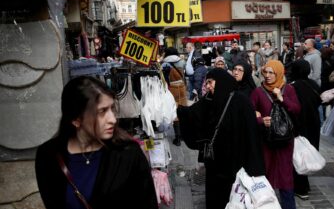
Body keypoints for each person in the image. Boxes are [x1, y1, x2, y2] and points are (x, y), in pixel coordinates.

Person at [35, 76, 158, 209]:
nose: (113, 119)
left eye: (112, 109)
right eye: (102, 111)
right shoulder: (48, 156)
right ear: (76, 119)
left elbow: (147, 203)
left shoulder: (128, 153)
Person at [178, 68, 265, 209]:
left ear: (221, 81)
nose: (207, 86)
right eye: (206, 83)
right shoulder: (210, 99)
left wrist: (255, 168)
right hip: (215, 164)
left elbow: (252, 135)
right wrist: (179, 111)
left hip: (236, 163)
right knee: (215, 198)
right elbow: (193, 114)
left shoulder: (241, 101)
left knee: (234, 198)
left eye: (210, 82)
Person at [250, 60, 301, 209]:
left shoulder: (288, 89)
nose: (267, 75)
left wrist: (282, 99)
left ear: (279, 73)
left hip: (285, 140)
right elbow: (249, 112)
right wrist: (260, 120)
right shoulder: (258, 92)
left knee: (286, 176)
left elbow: (297, 109)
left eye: (272, 72)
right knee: (267, 175)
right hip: (266, 141)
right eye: (266, 72)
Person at [290, 59, 322, 200]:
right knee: (307, 153)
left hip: (299, 124)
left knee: (298, 155)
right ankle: (305, 184)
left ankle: (301, 188)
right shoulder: (314, 84)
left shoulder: (293, 86)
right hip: (313, 123)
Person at [161, 47, 187, 146]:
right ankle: (184, 136)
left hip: (172, 88)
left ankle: (178, 138)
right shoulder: (182, 62)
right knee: (183, 110)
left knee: (175, 112)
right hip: (182, 87)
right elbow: (189, 72)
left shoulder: (164, 64)